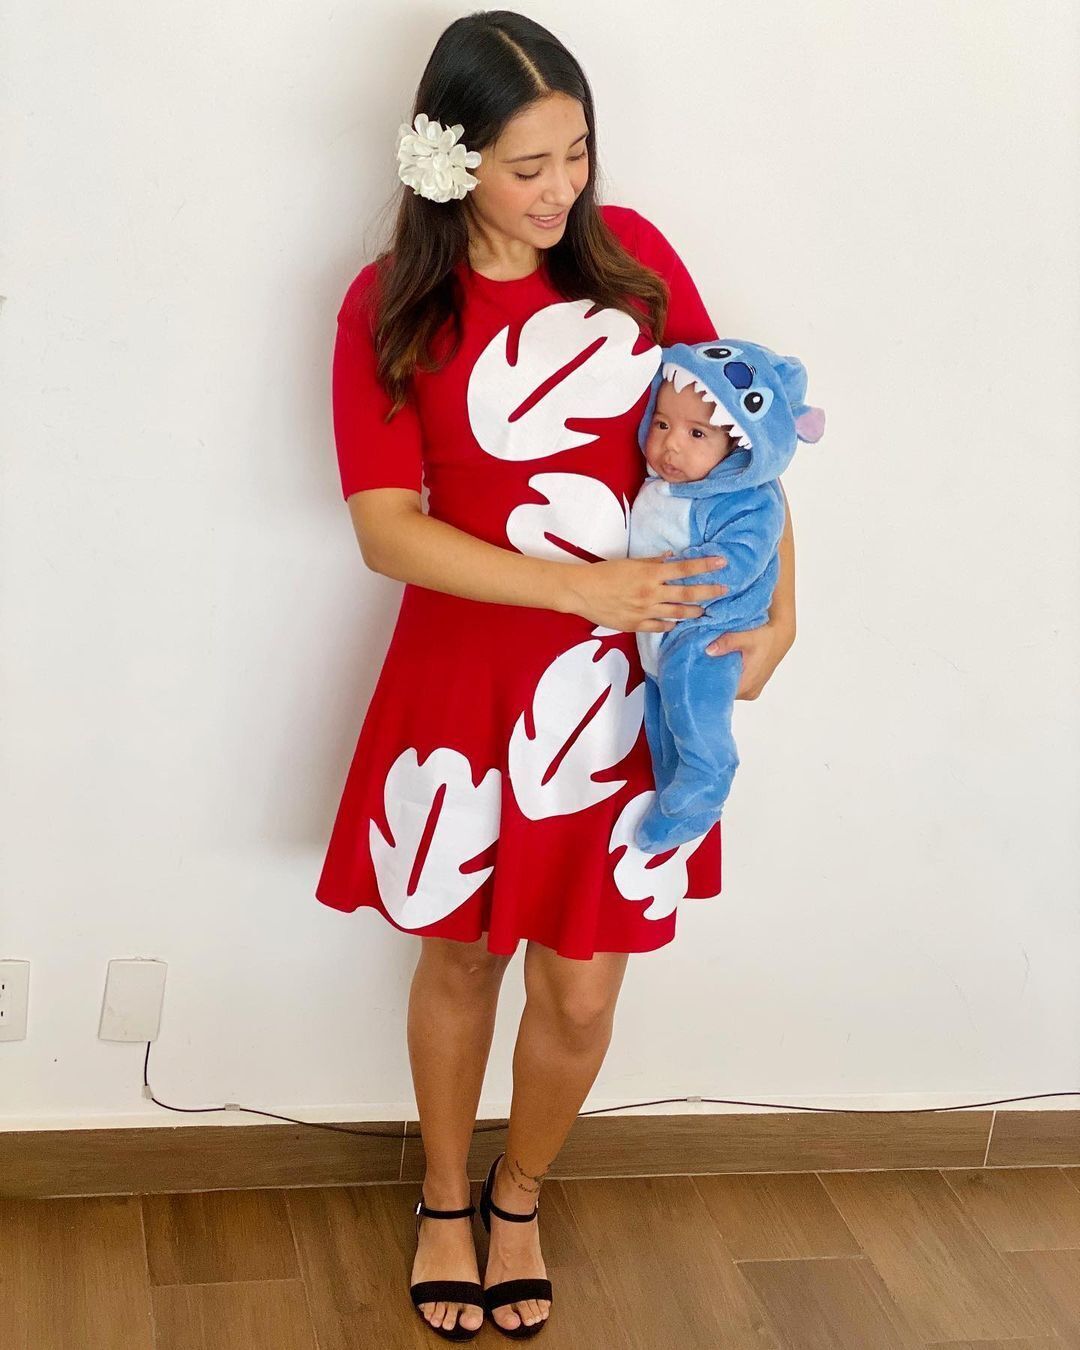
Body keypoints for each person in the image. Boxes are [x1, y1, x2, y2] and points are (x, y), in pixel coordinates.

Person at [315, 12, 796, 1340]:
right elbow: (385, 528)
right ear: (451, 160)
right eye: (529, 165)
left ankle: (519, 1194)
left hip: (632, 687)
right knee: (464, 955)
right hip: (466, 679)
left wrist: (780, 618)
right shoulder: (389, 302)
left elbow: (747, 451)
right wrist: (582, 588)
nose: (562, 189)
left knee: (581, 979)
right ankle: (444, 1195)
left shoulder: (634, 263)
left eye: (577, 153)